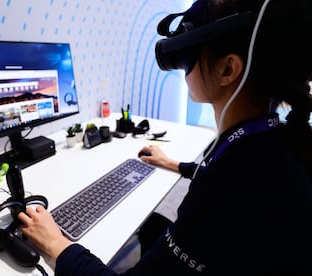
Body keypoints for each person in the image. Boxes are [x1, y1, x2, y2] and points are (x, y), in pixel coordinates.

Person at [18, 0, 312, 274]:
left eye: (188, 57)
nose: (183, 70)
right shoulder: (272, 139)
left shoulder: (231, 183)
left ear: (227, 69)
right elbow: (221, 175)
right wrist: (173, 164)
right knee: (153, 224)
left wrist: (57, 243)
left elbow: (226, 188)